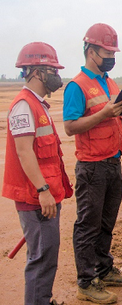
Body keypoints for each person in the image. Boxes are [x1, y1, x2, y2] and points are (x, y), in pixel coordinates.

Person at [63, 23, 122, 304]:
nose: (111, 56)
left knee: (106, 222)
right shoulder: (77, 86)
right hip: (92, 167)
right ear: (90, 50)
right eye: (106, 51)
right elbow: (71, 127)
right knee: (88, 225)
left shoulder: (110, 83)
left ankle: (103, 268)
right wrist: (104, 113)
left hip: (113, 163)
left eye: (113, 51)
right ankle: (87, 282)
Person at [3, 42, 73, 305]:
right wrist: (43, 191)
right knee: (41, 258)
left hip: (45, 194)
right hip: (35, 197)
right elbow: (24, 152)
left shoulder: (38, 103)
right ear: (35, 72)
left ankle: (42, 299)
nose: (56, 75)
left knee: (47, 254)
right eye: (50, 69)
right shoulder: (23, 105)